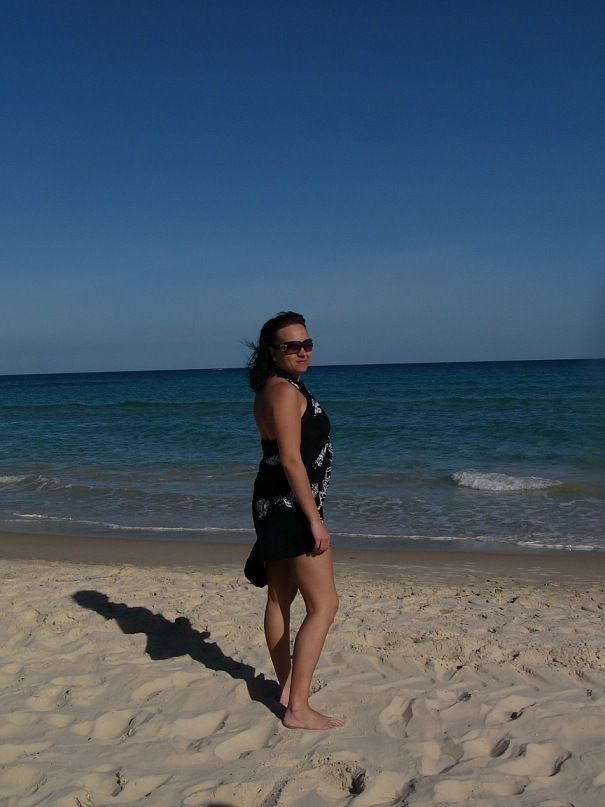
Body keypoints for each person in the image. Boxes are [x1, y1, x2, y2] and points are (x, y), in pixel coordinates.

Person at [244, 311, 342, 730]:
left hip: (272, 500)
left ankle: (287, 687)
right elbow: (290, 460)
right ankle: (298, 708)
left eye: (307, 344)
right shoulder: (284, 392)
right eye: (292, 346)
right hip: (290, 506)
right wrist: (314, 520)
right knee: (324, 604)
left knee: (279, 597)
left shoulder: (273, 387)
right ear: (273, 352)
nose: (303, 352)